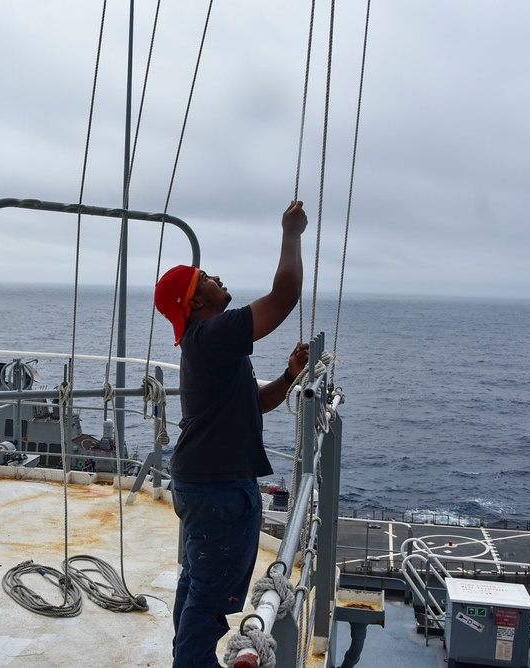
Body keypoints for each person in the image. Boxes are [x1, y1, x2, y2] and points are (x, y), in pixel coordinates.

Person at [154, 200, 309, 668]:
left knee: (198, 589)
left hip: (207, 485)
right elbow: (283, 298)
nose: (217, 277)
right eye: (206, 278)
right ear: (195, 303)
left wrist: (287, 377)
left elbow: (255, 404)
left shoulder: (210, 346)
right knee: (208, 602)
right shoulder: (211, 336)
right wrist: (291, 233)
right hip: (219, 491)